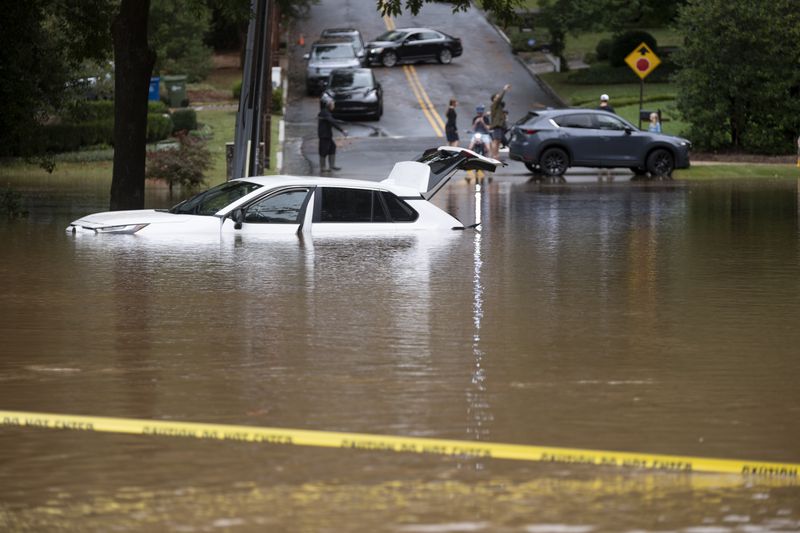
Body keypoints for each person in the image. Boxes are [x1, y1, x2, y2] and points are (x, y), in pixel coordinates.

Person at [317, 96, 347, 172]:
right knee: (323, 150)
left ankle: (332, 165)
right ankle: (323, 167)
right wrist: (342, 130)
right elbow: (332, 122)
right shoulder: (325, 113)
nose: (333, 105)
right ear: (328, 104)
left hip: (327, 135)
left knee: (332, 147)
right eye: (332, 104)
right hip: (324, 135)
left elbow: (331, 120)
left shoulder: (326, 112)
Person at [489, 84, 510, 159]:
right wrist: (504, 90)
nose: (499, 98)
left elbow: (502, 103)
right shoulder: (494, 104)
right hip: (497, 126)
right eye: (497, 97)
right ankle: (494, 156)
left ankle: (495, 155)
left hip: (500, 126)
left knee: (498, 141)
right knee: (496, 141)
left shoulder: (498, 106)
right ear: (494, 99)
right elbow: (500, 99)